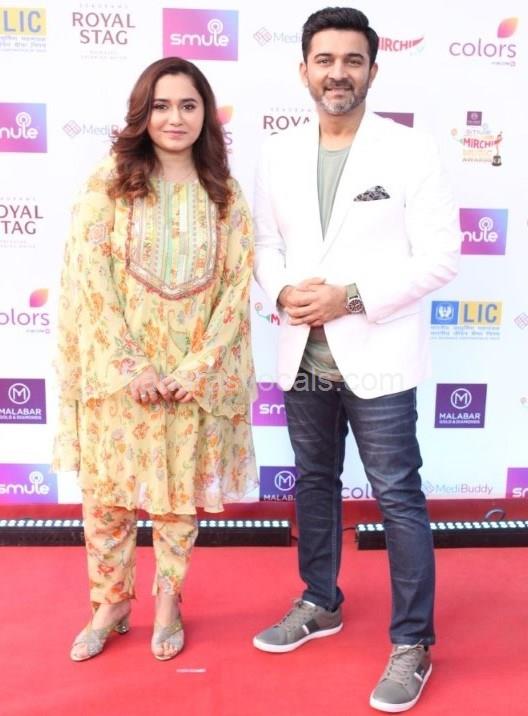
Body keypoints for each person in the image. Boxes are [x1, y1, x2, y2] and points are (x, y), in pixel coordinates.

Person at [253, 7, 459, 712]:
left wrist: (351, 296)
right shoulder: (278, 152)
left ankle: (413, 643)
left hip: (379, 353)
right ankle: (320, 601)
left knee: (397, 495)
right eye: (325, 59)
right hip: (302, 356)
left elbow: (441, 256)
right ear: (303, 70)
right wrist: (282, 290)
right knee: (314, 483)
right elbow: (264, 244)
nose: (337, 73)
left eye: (351, 60)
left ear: (373, 69)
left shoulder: (411, 150)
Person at [53, 57, 257, 662]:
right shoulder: (109, 183)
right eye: (162, 106)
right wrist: (130, 365)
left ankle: (169, 600)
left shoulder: (224, 193)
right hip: (121, 375)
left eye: (188, 106)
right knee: (109, 497)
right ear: (142, 113)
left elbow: (236, 287)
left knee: (176, 497)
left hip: (189, 377)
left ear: (205, 115)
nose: (175, 118)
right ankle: (110, 602)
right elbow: (90, 278)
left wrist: (195, 370)